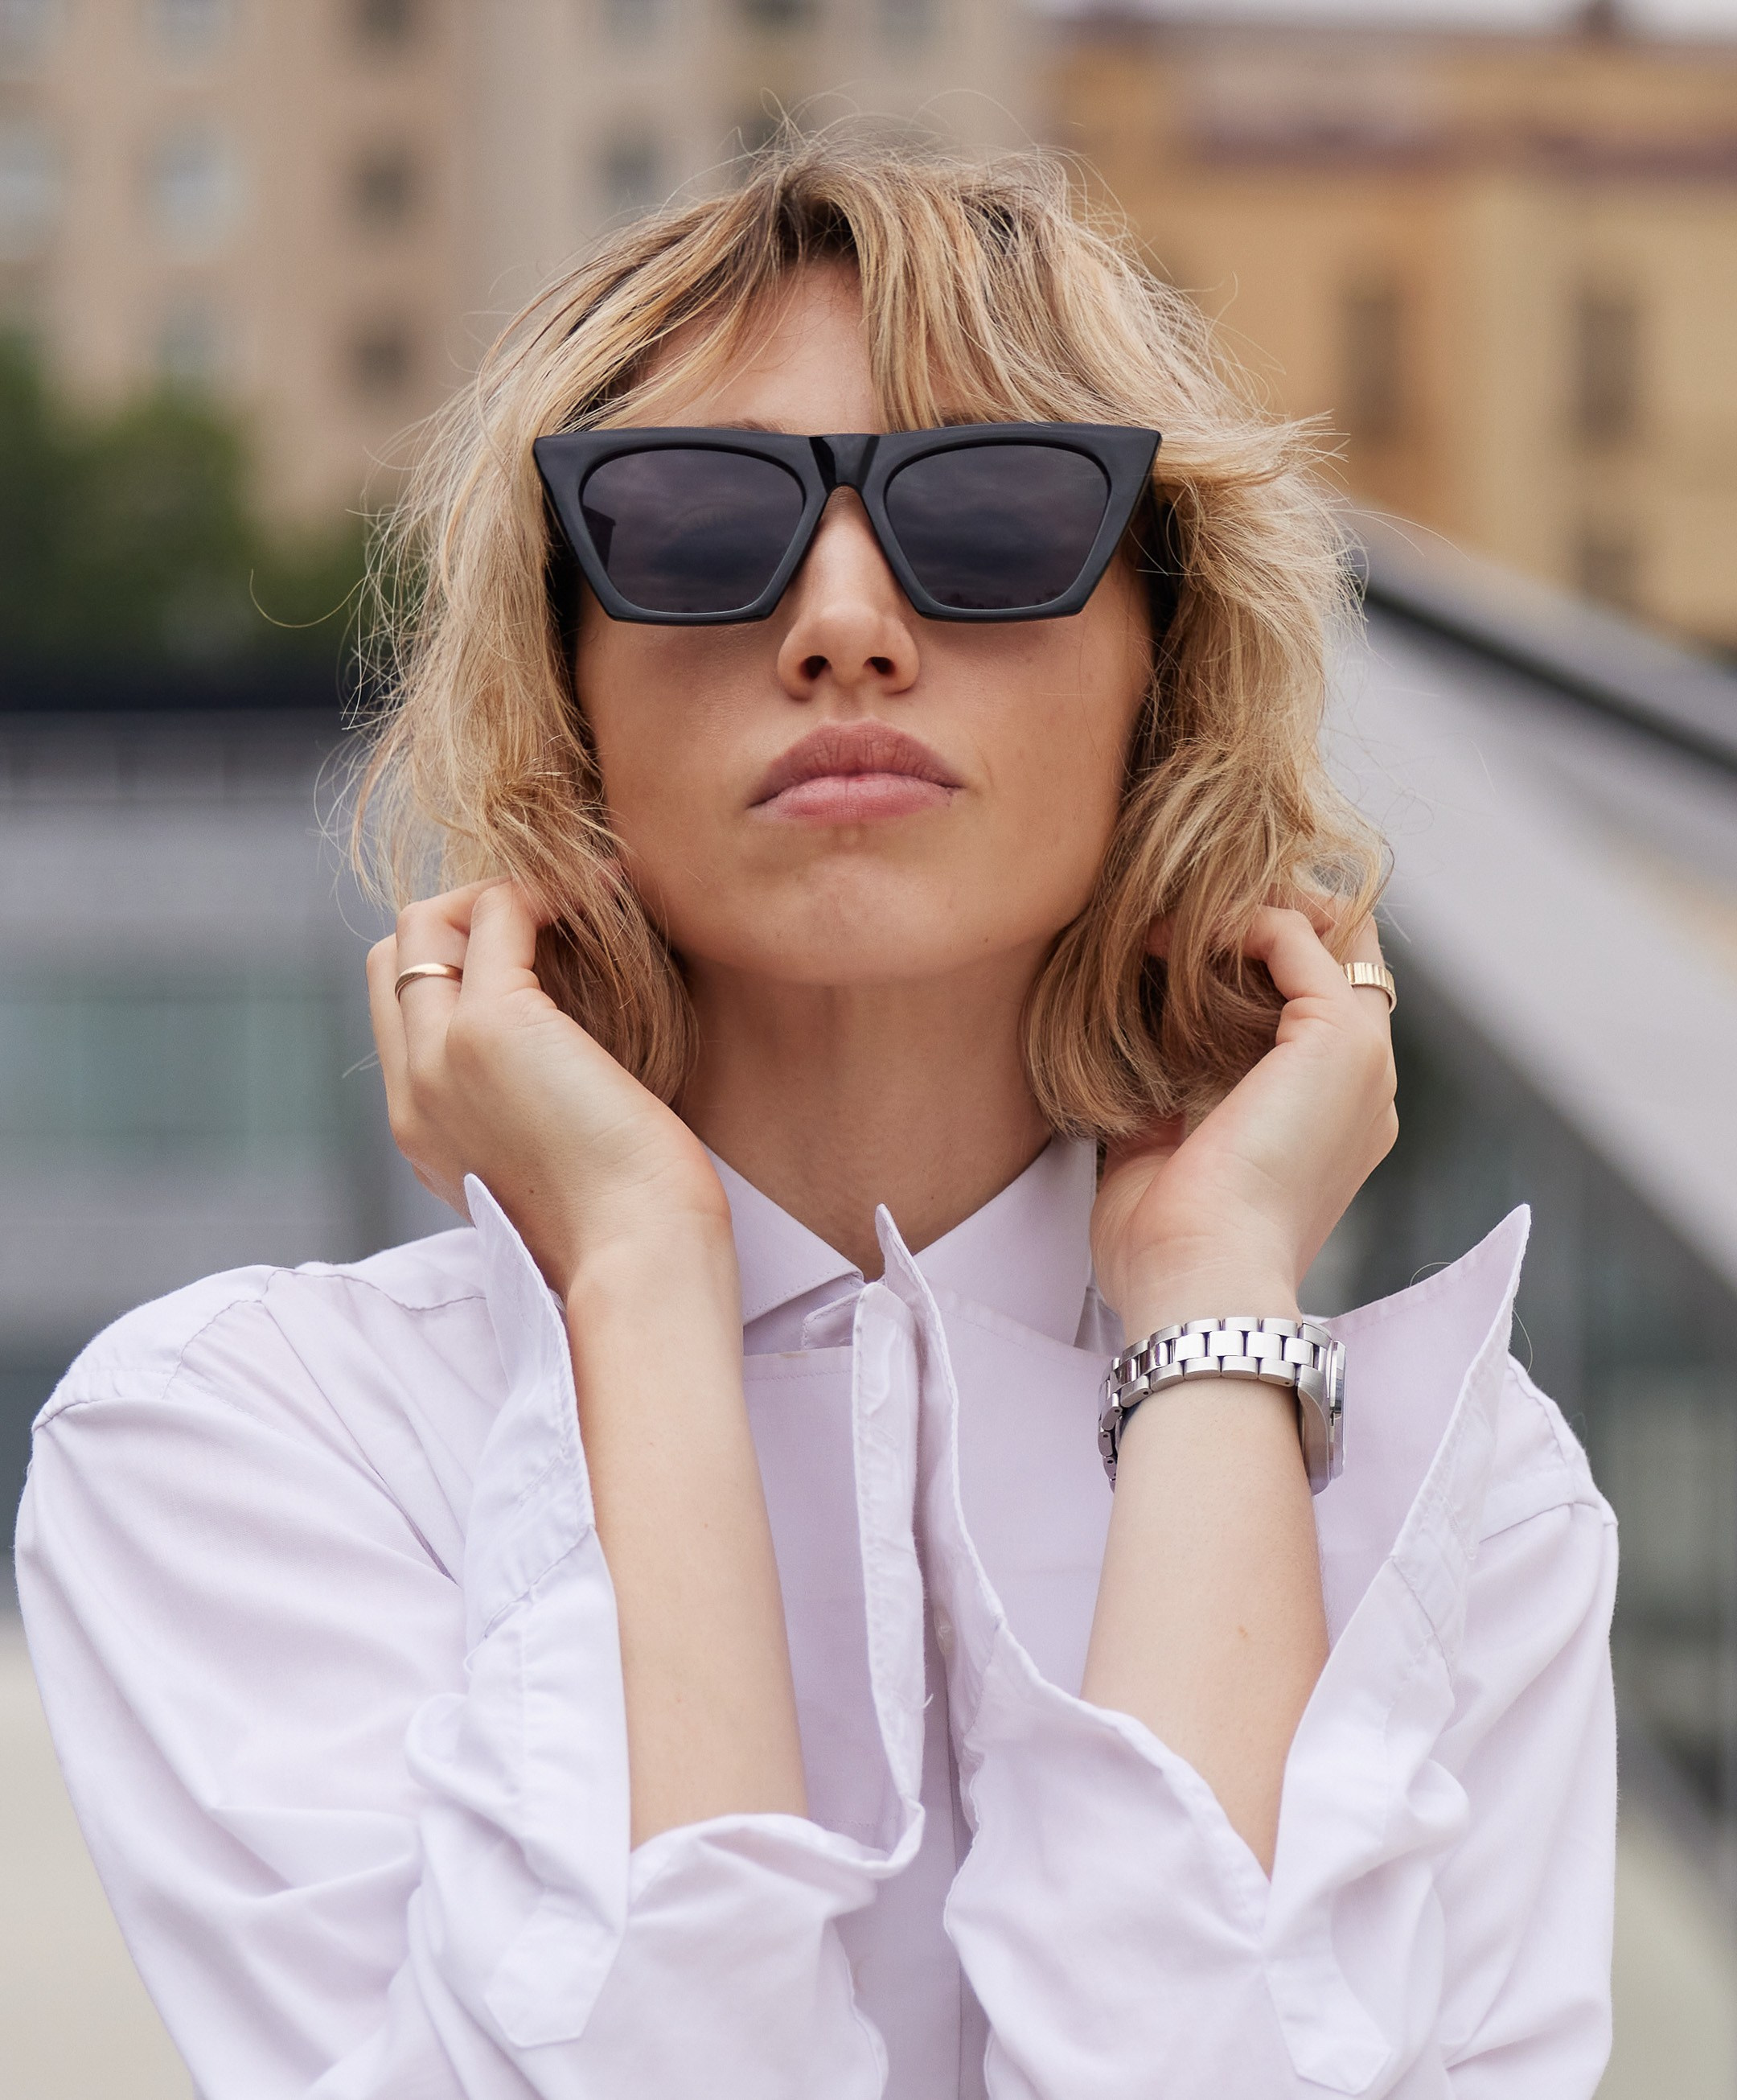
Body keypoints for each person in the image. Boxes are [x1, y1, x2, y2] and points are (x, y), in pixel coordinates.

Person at [15, 144, 1616, 2099]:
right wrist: (640, 1275)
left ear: (1162, 666)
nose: (845, 623)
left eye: (1003, 514)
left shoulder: (1460, 1499)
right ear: (567, 671)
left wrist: (1209, 1303)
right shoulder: (253, 1449)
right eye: (693, 529)